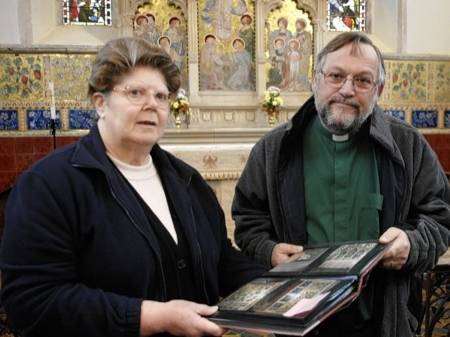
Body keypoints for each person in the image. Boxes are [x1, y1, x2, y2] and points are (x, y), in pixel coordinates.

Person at [0, 37, 266, 337]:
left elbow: (222, 262)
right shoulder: (48, 184)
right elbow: (32, 302)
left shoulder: (188, 181)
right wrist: (151, 316)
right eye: (136, 93)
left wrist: (283, 288)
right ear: (100, 103)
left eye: (161, 96)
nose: (151, 104)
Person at [232, 32, 450, 337]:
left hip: (381, 319)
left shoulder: (408, 145)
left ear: (379, 89)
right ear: (315, 79)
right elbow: (248, 221)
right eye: (336, 76)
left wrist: (412, 245)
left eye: (362, 80)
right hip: (297, 320)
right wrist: (269, 251)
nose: (347, 90)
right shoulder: (275, 149)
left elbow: (440, 217)